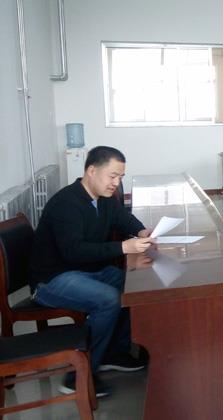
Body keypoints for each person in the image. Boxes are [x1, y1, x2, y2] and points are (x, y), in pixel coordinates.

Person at [29, 146, 154, 397]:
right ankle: (78, 377)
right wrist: (123, 247)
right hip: (52, 279)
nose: (116, 183)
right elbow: (73, 251)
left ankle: (113, 352)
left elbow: (122, 219)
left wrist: (141, 231)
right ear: (92, 171)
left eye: (120, 177)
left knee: (132, 285)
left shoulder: (104, 198)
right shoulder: (66, 203)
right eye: (112, 176)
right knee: (108, 299)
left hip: (85, 270)